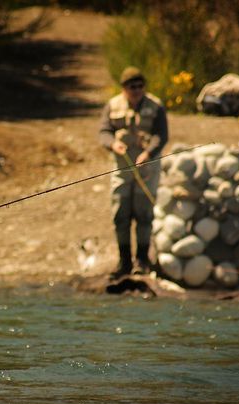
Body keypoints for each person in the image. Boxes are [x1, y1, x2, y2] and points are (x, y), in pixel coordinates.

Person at [99, 66, 168, 279]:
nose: (137, 90)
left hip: (147, 168)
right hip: (122, 168)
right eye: (132, 86)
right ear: (124, 88)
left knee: (144, 213)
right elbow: (104, 132)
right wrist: (113, 145)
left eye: (140, 86)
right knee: (121, 214)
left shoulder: (156, 106)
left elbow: (161, 135)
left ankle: (143, 261)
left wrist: (148, 152)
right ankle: (124, 262)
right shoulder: (112, 106)